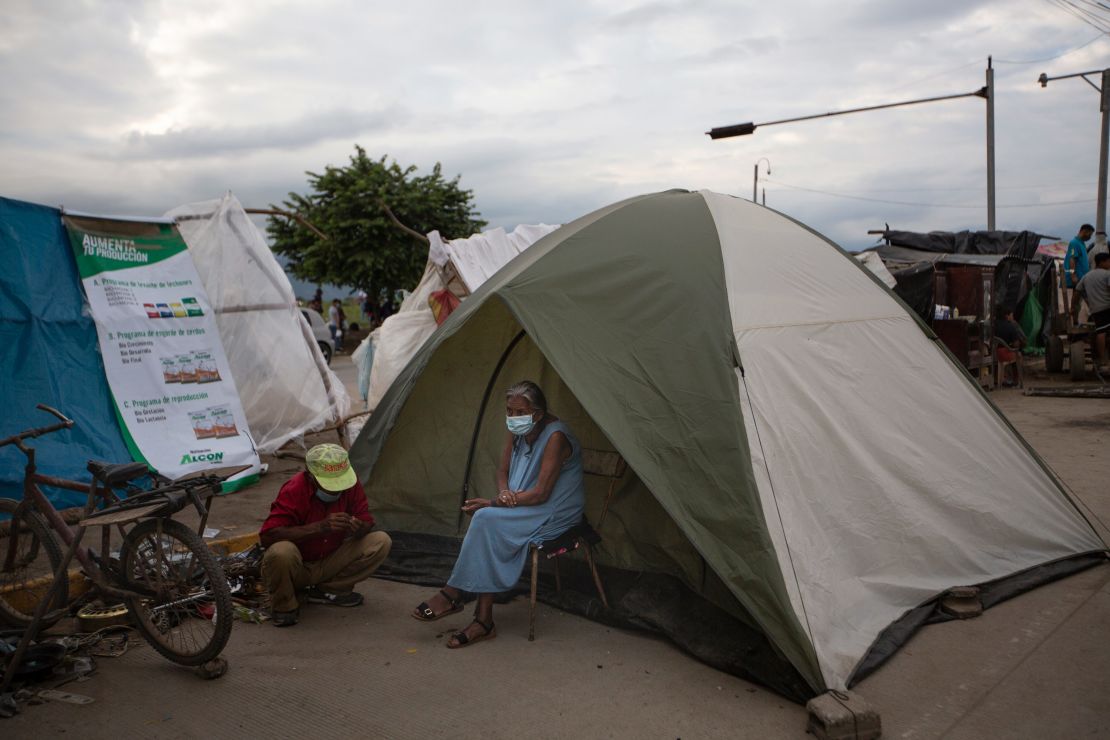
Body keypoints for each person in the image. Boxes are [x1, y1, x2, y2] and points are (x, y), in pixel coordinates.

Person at [410, 380, 586, 648]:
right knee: (487, 523)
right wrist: (503, 496)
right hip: (524, 504)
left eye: (519, 413)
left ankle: (456, 595)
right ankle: (481, 619)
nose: (512, 418)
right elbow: (502, 472)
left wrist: (496, 503)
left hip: (555, 511)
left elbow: (541, 494)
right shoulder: (517, 428)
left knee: (486, 520)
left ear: (537, 414)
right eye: (509, 411)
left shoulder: (555, 436)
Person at [260, 444, 392, 627]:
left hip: (330, 559)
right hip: (298, 565)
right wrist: (318, 528)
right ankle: (284, 604)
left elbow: (366, 520)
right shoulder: (295, 489)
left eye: (339, 483)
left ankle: (329, 590)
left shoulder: (350, 484)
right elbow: (267, 536)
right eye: (329, 484)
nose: (336, 490)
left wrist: (359, 527)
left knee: (380, 541)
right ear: (310, 476)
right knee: (281, 551)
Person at [1072, 252, 1110, 366]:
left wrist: (1072, 308)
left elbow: (1076, 293)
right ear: (1102, 262)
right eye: (1109, 261)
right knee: (1102, 333)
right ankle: (1103, 358)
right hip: (1107, 307)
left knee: (1101, 331)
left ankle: (1102, 358)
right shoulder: (1107, 274)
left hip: (1095, 310)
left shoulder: (1086, 276)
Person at [993, 307, 1026, 386]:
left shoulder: (992, 325)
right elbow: (1016, 344)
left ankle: (996, 379)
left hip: (993, 353)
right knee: (1018, 354)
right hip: (1003, 354)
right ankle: (1016, 380)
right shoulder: (1010, 326)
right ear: (1006, 316)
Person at [1066, 223, 1094, 290]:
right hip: (1077, 277)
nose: (1090, 237)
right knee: (1076, 295)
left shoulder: (1082, 244)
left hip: (1082, 276)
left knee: (1078, 297)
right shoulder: (1074, 243)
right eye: (1089, 234)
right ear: (1084, 231)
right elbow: (1072, 259)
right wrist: (1073, 275)